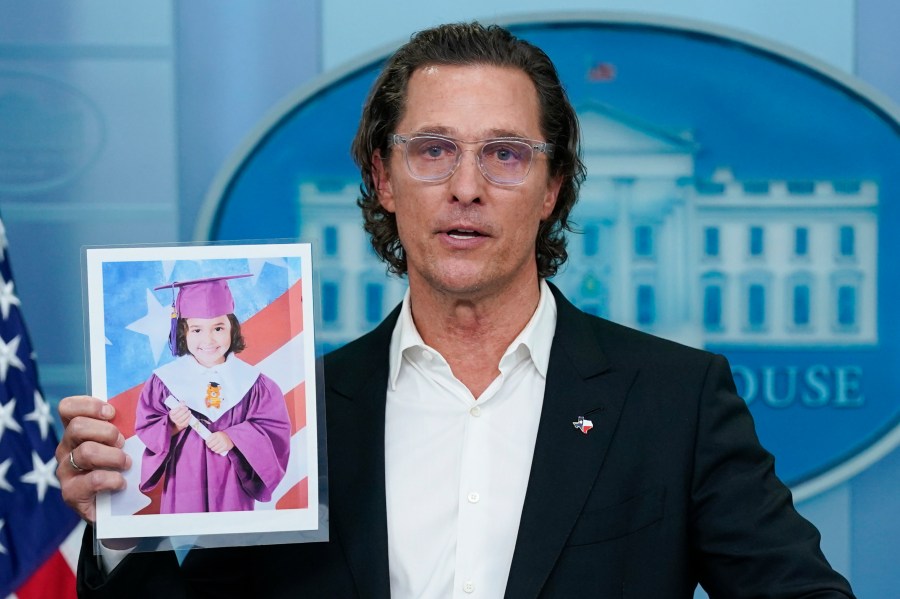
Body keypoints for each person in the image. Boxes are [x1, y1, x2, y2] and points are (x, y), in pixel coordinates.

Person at [56, 22, 855, 598]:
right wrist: (125, 525)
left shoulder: (676, 398)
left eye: (504, 154)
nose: (465, 187)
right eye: (433, 150)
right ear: (383, 179)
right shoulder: (302, 412)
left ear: (551, 189)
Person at [135, 274, 291, 514]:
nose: (208, 339)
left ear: (232, 329)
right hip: (184, 481)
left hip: (232, 485)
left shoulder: (257, 385)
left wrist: (234, 437)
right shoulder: (164, 382)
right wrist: (172, 425)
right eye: (196, 330)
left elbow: (274, 431)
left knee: (232, 545)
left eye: (218, 328)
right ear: (182, 333)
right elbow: (147, 426)